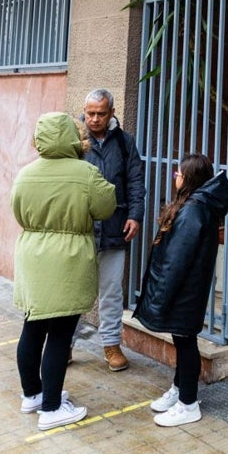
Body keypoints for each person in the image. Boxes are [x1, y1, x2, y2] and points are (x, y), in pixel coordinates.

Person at [11, 111, 116, 432]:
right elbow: (105, 207)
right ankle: (52, 408)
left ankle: (33, 394)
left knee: (33, 327)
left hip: (32, 259)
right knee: (60, 334)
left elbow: (17, 210)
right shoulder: (85, 173)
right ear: (74, 136)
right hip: (68, 262)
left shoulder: (25, 174)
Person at [132, 152, 228, 427]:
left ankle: (188, 404)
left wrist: (164, 293)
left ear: (189, 178)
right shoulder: (195, 205)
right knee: (182, 339)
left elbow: (178, 258)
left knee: (186, 341)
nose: (175, 176)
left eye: (178, 173)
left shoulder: (193, 210)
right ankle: (180, 390)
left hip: (185, 288)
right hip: (188, 287)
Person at [80, 88, 146, 372]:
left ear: (112, 113)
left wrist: (135, 215)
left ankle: (111, 344)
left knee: (111, 292)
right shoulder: (75, 141)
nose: (94, 119)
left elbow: (135, 180)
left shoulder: (124, 142)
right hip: (79, 230)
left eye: (100, 114)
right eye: (90, 113)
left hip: (114, 228)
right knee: (74, 292)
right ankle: (64, 345)